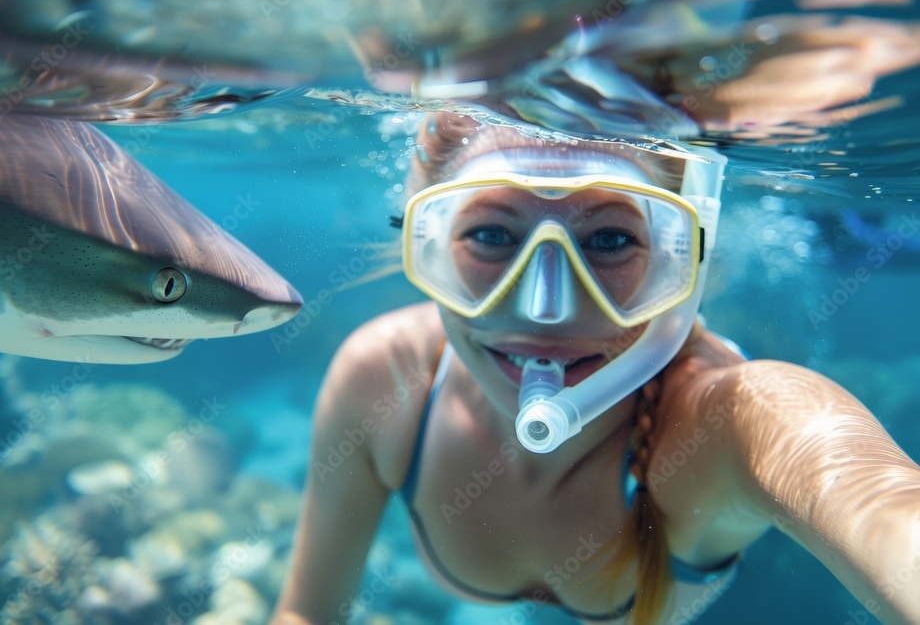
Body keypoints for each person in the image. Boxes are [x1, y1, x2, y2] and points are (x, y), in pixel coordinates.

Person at [270, 112, 920, 625]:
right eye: (492, 235)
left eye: (608, 239)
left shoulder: (732, 418)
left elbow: (889, 515)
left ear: (681, 261)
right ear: (429, 244)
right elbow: (306, 612)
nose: (544, 308)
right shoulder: (384, 379)